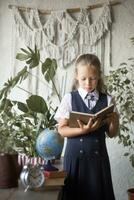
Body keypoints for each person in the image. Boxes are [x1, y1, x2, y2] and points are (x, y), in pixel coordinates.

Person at [54, 54, 119, 200]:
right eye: (83, 78)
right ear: (77, 76)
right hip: (75, 159)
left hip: (98, 160)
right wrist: (83, 130)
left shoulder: (108, 100)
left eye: (93, 78)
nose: (88, 83)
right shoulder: (69, 98)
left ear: (99, 77)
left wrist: (115, 120)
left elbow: (112, 133)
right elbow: (62, 130)